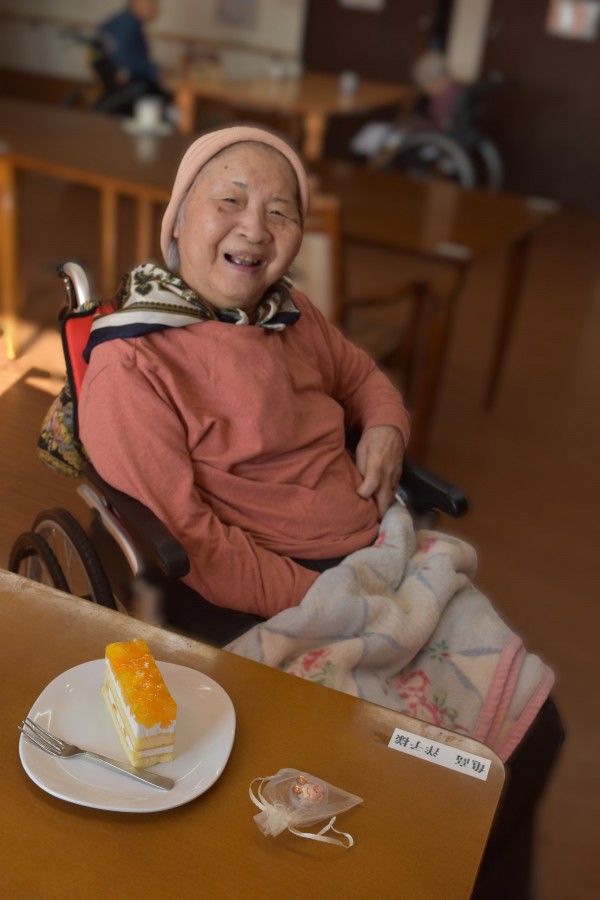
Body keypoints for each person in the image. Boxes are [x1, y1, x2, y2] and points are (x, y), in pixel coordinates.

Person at [79, 124, 411, 620]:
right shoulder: (133, 362)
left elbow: (362, 379)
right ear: (178, 219)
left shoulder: (292, 312)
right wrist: (326, 602)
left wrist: (386, 428)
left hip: (378, 547)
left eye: (280, 212)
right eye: (230, 201)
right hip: (277, 589)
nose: (255, 230)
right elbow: (193, 538)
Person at [95, 0, 172, 115]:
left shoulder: (128, 20)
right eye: (152, 3)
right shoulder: (128, 22)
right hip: (123, 87)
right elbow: (123, 58)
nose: (156, 8)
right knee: (163, 98)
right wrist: (155, 70)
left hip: (121, 85)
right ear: (137, 3)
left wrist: (156, 70)